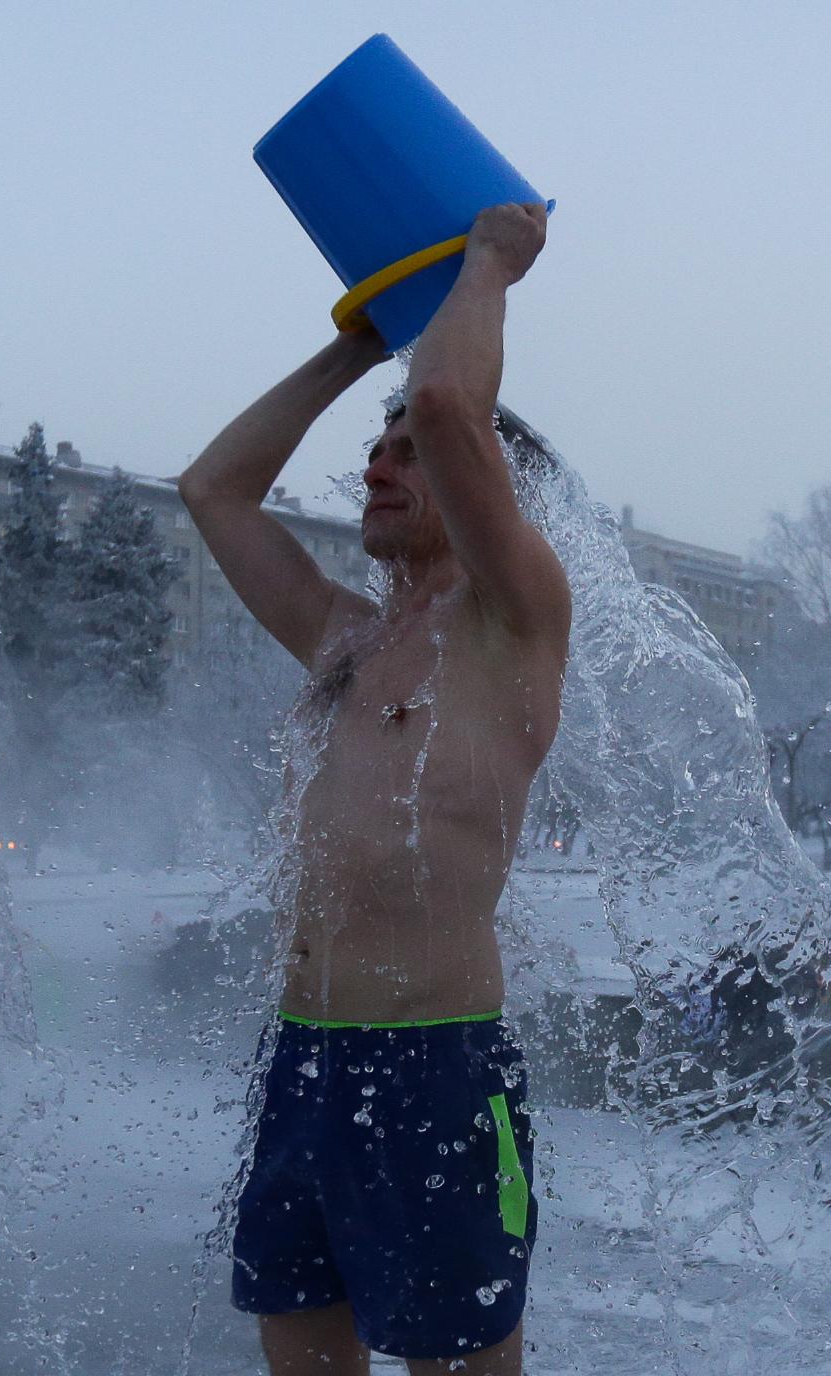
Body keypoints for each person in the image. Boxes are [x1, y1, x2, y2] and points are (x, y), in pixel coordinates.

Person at [177, 201, 566, 1376]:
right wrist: (355, 344)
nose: (382, 460)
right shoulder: (344, 641)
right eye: (378, 446)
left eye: (409, 452)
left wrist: (487, 265)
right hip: (303, 1058)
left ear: (489, 489)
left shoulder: (515, 626)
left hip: (435, 1066)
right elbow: (213, 492)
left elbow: (452, 407)